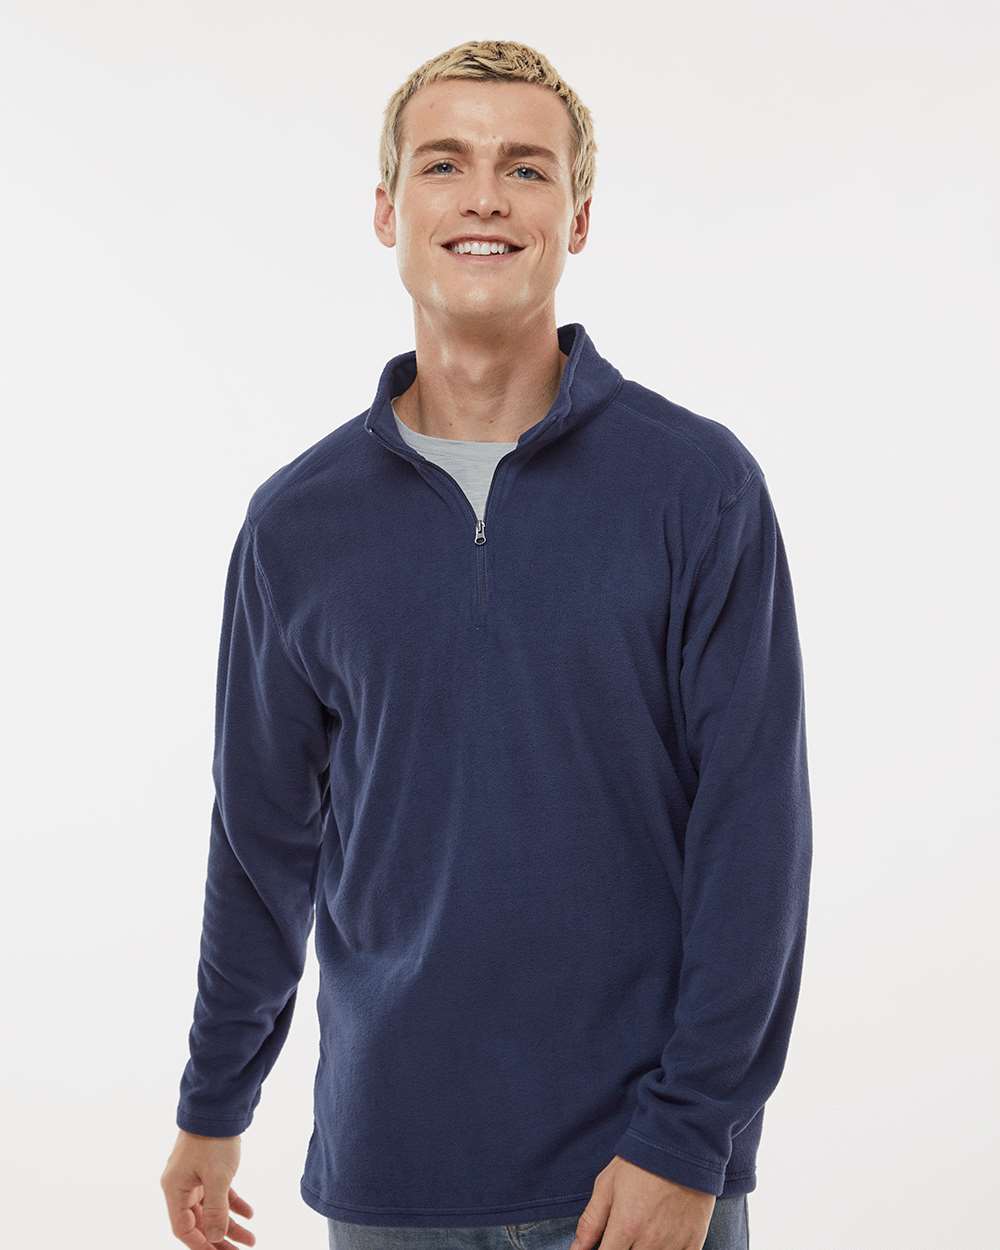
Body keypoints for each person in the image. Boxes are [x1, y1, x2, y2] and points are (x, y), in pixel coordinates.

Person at [160, 38, 812, 1250]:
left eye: (524, 168)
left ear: (577, 218)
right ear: (386, 209)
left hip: (638, 1171)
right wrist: (213, 1100)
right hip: (393, 1170)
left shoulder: (695, 488)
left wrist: (691, 1136)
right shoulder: (297, 525)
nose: (484, 197)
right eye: (444, 162)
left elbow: (753, 838)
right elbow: (259, 844)